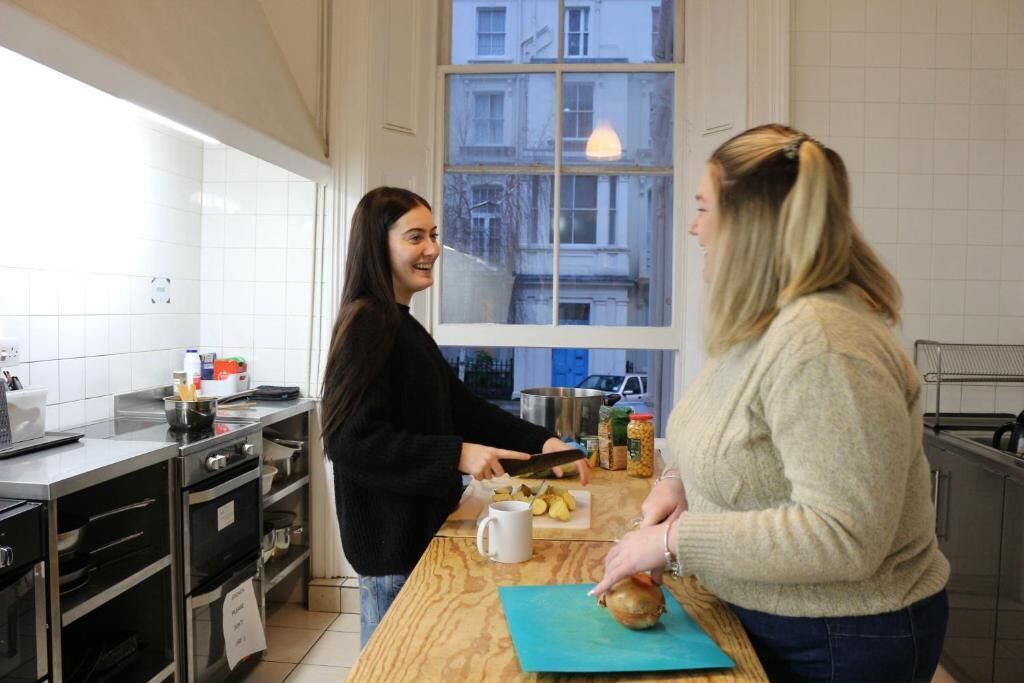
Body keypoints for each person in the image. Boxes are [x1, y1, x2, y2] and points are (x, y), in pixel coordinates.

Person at [589, 125, 949, 682]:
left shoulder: (824, 344)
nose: (692, 226)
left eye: (704, 207)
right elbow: (742, 440)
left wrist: (674, 539)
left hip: (842, 638)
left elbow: (844, 535)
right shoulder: (764, 326)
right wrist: (683, 485)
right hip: (772, 619)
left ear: (750, 223)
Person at [320, 187, 590, 648]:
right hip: (393, 556)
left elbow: (465, 409)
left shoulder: (401, 325)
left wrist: (544, 444)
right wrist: (457, 455)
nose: (432, 249)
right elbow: (349, 441)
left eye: (434, 235)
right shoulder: (369, 324)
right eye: (415, 237)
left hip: (417, 545)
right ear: (377, 244)